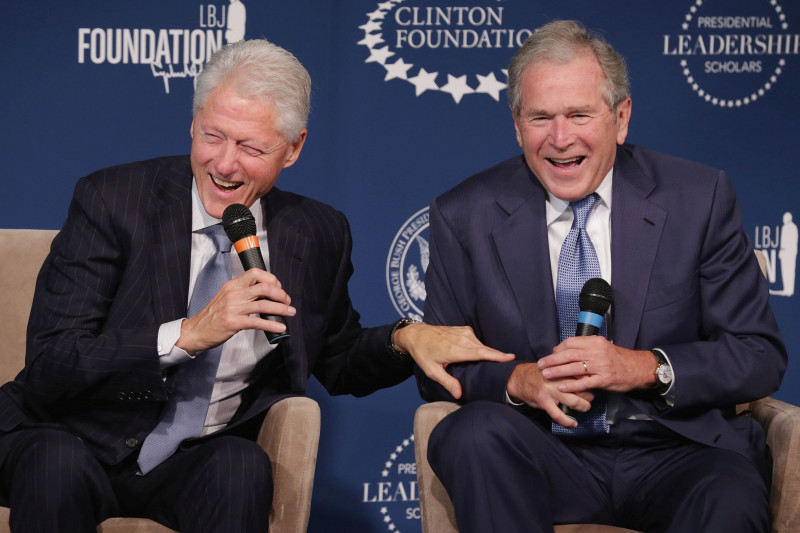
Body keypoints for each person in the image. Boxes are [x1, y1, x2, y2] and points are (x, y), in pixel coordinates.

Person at [0, 39, 510, 532]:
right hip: (74, 438)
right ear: (192, 124)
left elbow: (336, 357)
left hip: (190, 458)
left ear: (292, 149)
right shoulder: (113, 200)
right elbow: (52, 364)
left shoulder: (316, 231)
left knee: (239, 466)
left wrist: (403, 337)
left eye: (250, 147)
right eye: (212, 136)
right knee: (54, 464)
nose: (224, 164)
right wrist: (187, 334)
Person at [416, 20, 786, 533]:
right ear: (517, 123)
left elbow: (757, 355)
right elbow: (441, 366)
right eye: (541, 116)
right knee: (472, 434)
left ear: (621, 117)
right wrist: (518, 380)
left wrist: (640, 367)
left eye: (579, 114)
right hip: (545, 454)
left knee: (729, 493)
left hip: (677, 451)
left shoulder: (697, 198)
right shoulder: (465, 215)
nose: (560, 138)